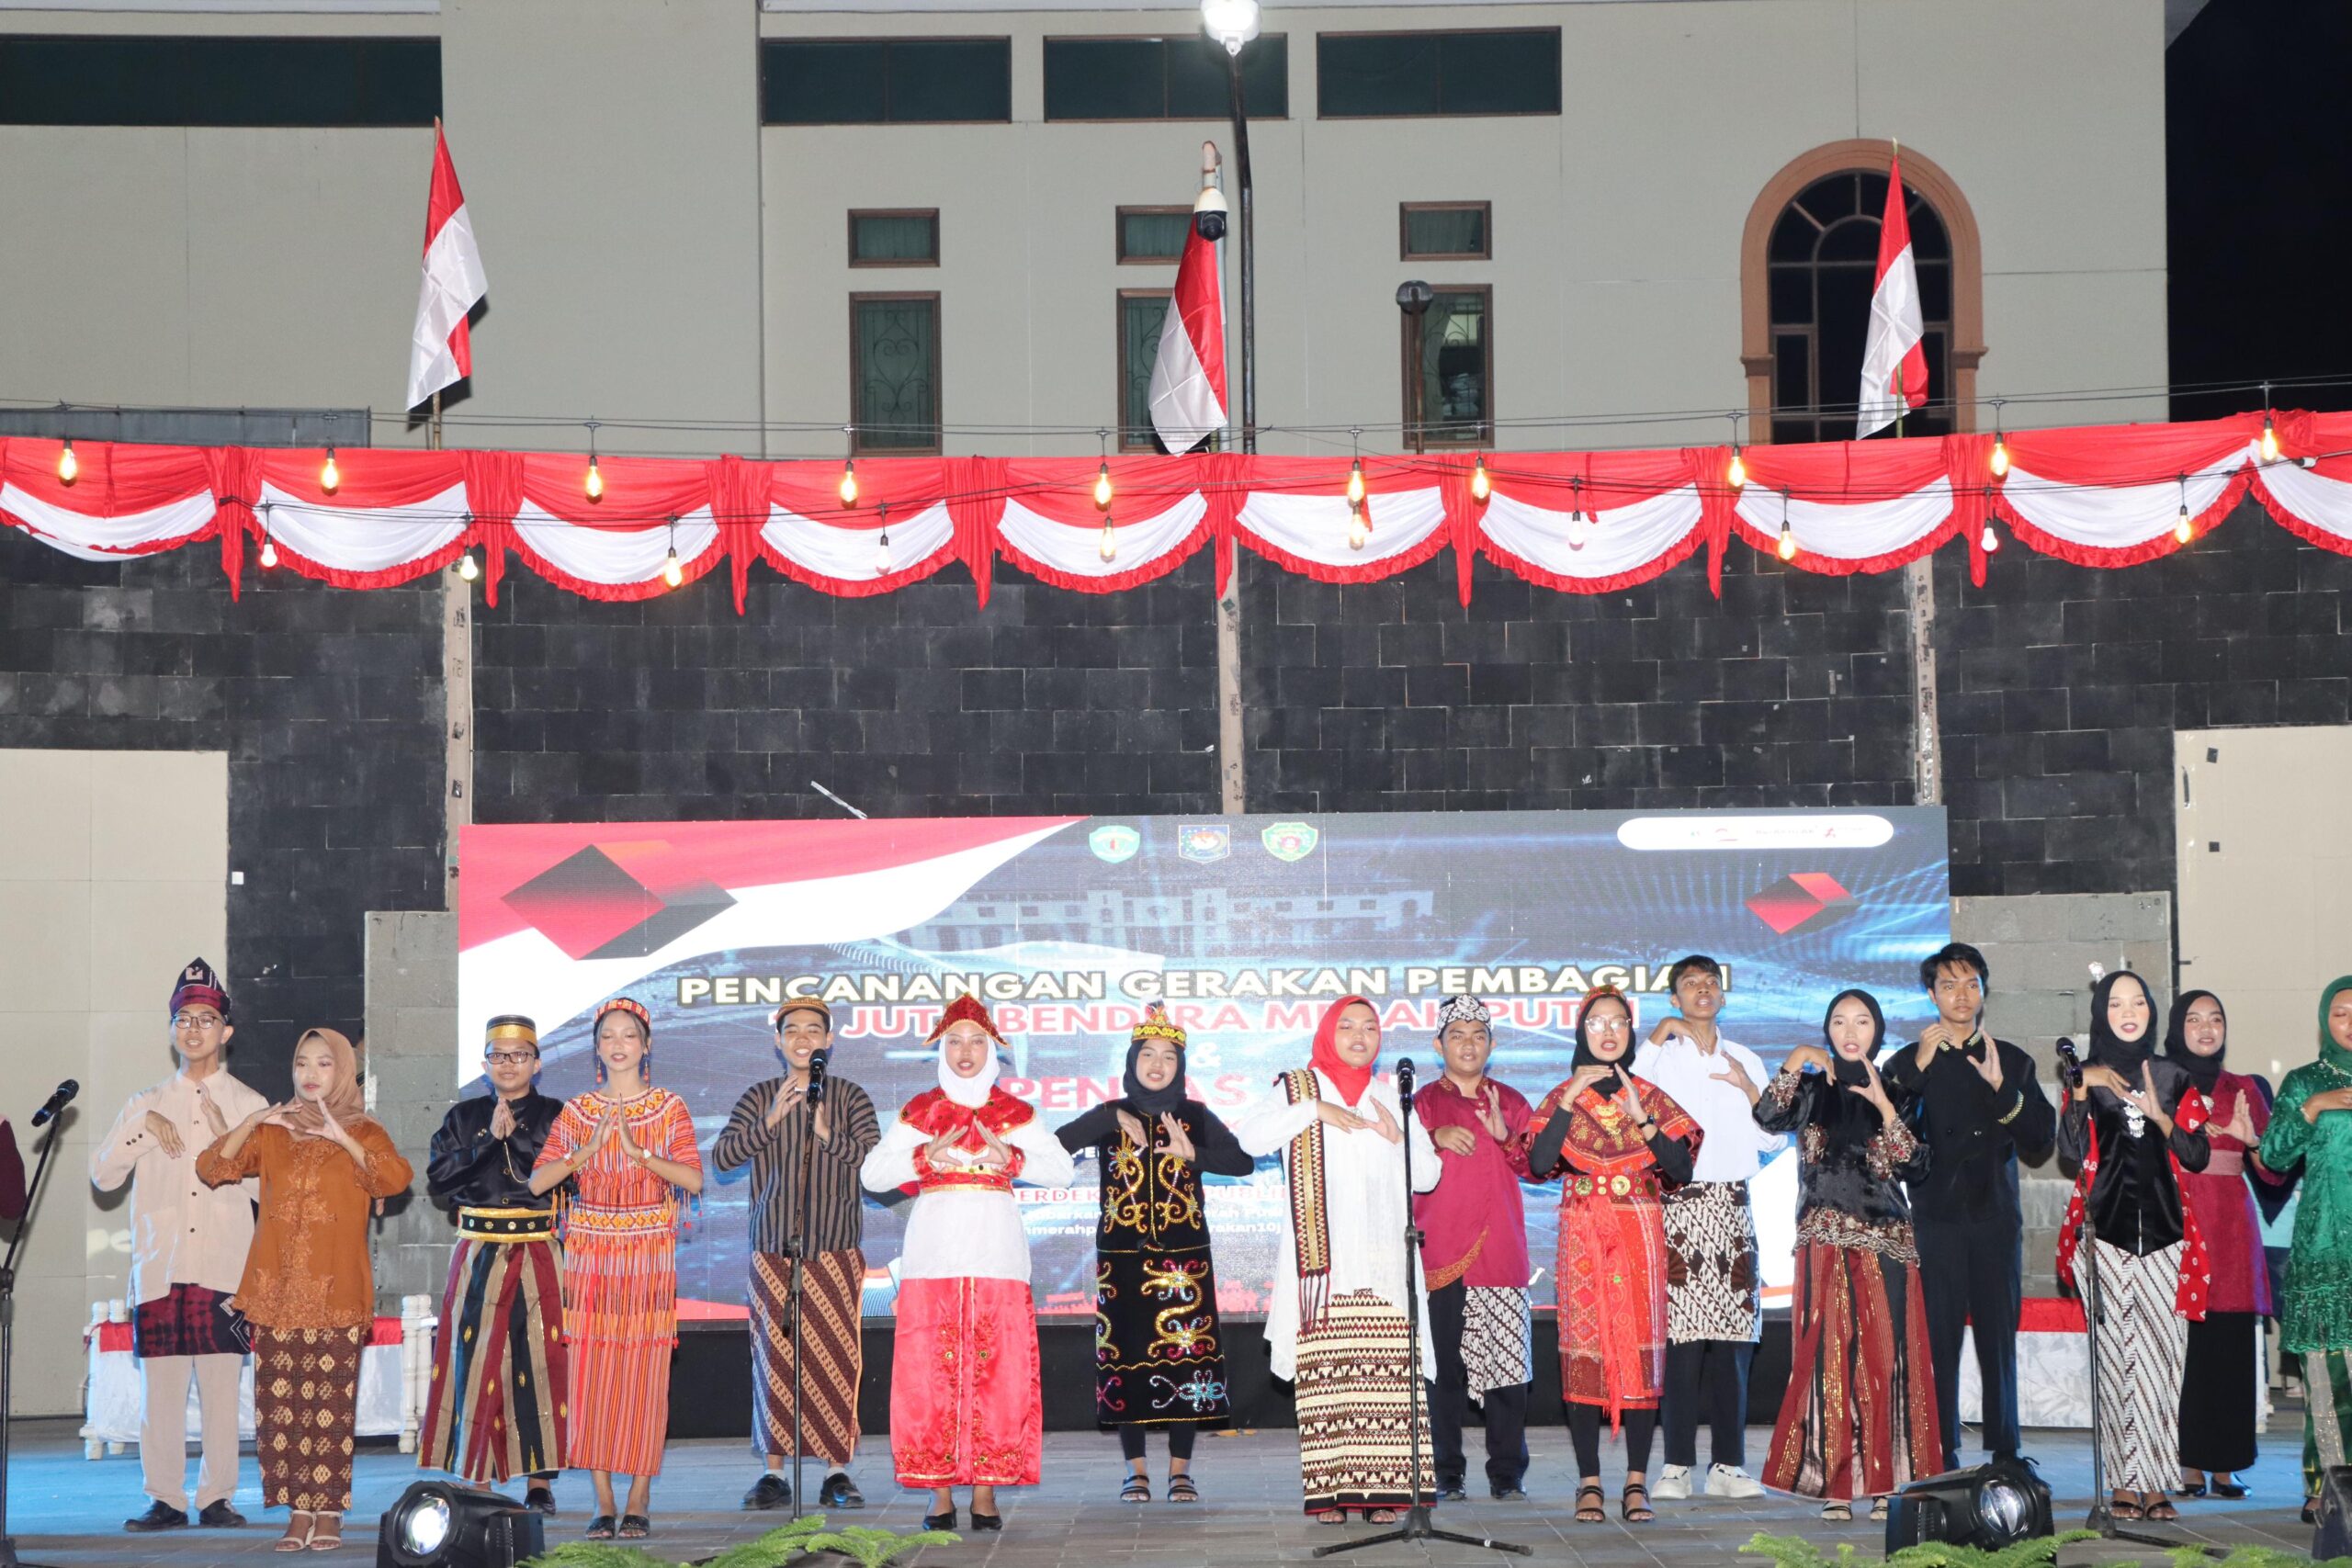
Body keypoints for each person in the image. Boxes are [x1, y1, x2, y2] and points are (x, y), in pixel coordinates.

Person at [860, 995, 1076, 1532]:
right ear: (940, 1047)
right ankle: (937, 1495)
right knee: (928, 1375)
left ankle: (985, 1493)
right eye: (954, 1040)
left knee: (998, 1373)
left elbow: (1063, 1170)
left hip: (997, 1253)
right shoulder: (923, 1110)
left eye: (976, 1041)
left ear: (993, 1049)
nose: (965, 1051)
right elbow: (871, 1175)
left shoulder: (1014, 1113)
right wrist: (921, 1158)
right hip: (933, 1254)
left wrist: (1013, 1158)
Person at [196, 1027, 413, 1553]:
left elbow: (395, 1180)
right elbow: (212, 1166)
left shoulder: (366, 1130)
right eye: (301, 1064)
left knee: (331, 1409)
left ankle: (329, 1511)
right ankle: (296, 1513)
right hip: (274, 1289)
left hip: (336, 1289)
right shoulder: (274, 1132)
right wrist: (253, 1120)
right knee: (280, 1410)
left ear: (343, 1071)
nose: (310, 1074)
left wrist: (345, 1142)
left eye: (323, 1064)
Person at [1233, 995, 1440, 1524]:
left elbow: (1428, 1176)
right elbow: (1251, 1138)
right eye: (1346, 1025)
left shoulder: (1392, 1095)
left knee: (1387, 1385)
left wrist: (1397, 1138)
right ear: (1327, 1033)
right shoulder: (1297, 1088)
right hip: (1323, 1268)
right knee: (1330, 1384)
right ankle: (1332, 1496)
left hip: (1384, 1266)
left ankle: (1385, 1496)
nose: (1358, 1035)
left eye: (1370, 1027)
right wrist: (1313, 1111)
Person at [90, 958, 270, 1534]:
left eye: (206, 1020)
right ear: (172, 1030)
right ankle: (165, 1498)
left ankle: (217, 1496)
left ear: (227, 1032)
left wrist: (227, 1140)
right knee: (160, 1396)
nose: (194, 1030)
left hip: (224, 1267)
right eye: (184, 1019)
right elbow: (103, 1177)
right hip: (161, 1267)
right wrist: (144, 1123)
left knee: (222, 1391)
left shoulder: (250, 1104)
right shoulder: (144, 1101)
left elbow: (270, 1190)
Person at [1055, 1002, 1252, 1504]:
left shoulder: (1194, 1115)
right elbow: (1055, 1145)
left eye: (1168, 1055)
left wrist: (1195, 1154)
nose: (1158, 1064)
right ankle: (1136, 1471)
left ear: (1181, 1066)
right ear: (1132, 1060)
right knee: (1127, 1362)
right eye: (1148, 1054)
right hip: (1120, 1259)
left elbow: (1244, 1161)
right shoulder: (1110, 1115)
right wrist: (1109, 1112)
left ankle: (1180, 1471)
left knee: (1186, 1364)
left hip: (1184, 1259)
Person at [1754, 990, 1939, 1522]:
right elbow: (1768, 1114)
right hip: (1823, 1239)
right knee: (1826, 1362)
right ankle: (1835, 1484)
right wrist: (1795, 1056)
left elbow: (1918, 1167)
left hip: (1887, 1242)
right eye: (1838, 1021)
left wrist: (1884, 1107)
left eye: (1861, 1021)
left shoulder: (1901, 1093)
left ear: (1877, 1031)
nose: (1849, 1030)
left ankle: (1885, 1483)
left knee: (1886, 1362)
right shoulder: (1812, 1090)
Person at [528, 998, 704, 1541]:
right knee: (591, 1381)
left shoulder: (669, 1107)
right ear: (597, 1048)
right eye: (609, 1035)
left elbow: (693, 1181)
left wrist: (637, 1151)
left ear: (646, 1046)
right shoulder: (578, 1111)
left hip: (647, 1261)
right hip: (590, 1260)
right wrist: (586, 1152)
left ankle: (639, 1495)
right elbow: (538, 1183)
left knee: (644, 1381)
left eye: (629, 1034)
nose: (619, 1043)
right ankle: (603, 1500)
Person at [1526, 986, 1701, 1526]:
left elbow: (1682, 1168)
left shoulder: (1650, 1094)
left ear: (1629, 1031)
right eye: (1597, 1022)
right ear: (1582, 1031)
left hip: (1639, 1234)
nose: (1608, 1031)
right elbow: (1537, 1162)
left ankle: (1635, 1482)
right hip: (1582, 1235)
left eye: (1619, 1022)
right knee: (1584, 1354)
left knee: (1641, 1353)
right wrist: (1567, 1100)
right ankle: (1589, 1482)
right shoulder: (1562, 1094)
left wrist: (1640, 1118)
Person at [1881, 942, 2055, 1472]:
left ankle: (2005, 1448)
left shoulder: (2013, 1060)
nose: (1962, 995)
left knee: (1999, 1337)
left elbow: (2041, 1140)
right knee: (1939, 1340)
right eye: (1949, 985)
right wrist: (1917, 1073)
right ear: (1931, 994)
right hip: (1936, 1218)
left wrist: (2003, 1089)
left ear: (1983, 991)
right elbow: (1886, 1139)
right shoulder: (1907, 1061)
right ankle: (1940, 1449)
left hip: (1995, 1217)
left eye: (1972, 984)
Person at [711, 996, 882, 1512]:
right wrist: (769, 1121)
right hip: (772, 1250)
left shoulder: (850, 1097)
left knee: (834, 1359)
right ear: (778, 1041)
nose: (803, 1038)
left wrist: (828, 1135)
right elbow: (722, 1158)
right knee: (773, 1361)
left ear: (830, 1041)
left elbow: (875, 1167)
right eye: (792, 1030)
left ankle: (836, 1472)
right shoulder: (760, 1094)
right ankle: (773, 1472)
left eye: (814, 1029)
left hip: (833, 1247)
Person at [2055, 969, 2211, 1523]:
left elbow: (2196, 1155)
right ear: (2102, 1013)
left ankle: (2158, 1482)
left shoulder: (2174, 1075)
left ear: (2150, 1010)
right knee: (2118, 1361)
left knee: (2164, 1363)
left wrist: (2162, 1117)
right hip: (2108, 1237)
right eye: (2116, 1003)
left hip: (2168, 1238)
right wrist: (2079, 1085)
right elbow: (2070, 1150)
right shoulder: (2087, 1077)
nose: (2128, 1011)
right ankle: (2125, 1481)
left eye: (2138, 1002)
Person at [1630, 955, 1781, 1501]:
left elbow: (1772, 1140)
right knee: (1682, 1342)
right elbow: (1629, 1105)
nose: (1702, 991)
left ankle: (1730, 1466)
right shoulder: (1660, 1060)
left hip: (1732, 1208)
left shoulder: (1746, 1057)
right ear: (1674, 999)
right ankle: (1675, 1466)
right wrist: (1653, 1037)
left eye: (1710, 983)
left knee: (1734, 1344)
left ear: (1723, 995)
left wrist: (1748, 1089)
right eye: (1690, 984)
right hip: (1677, 1208)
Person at [417, 1014, 568, 1508]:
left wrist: (514, 1140)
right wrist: (486, 1143)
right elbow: (438, 1180)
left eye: (519, 1055)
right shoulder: (463, 1117)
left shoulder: (555, 1114)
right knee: (473, 1361)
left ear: (537, 1063)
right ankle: (474, 1475)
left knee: (539, 1362)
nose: (508, 1064)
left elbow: (568, 1178)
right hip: (478, 1248)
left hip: (538, 1246)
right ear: (485, 1064)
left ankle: (539, 1482)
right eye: (499, 1056)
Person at [1411, 996, 1535, 1503]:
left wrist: (1506, 1137)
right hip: (1442, 1252)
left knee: (1508, 1370)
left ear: (1492, 1045)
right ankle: (1447, 1472)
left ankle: (1507, 1475)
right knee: (1443, 1371)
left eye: (1478, 1035)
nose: (1469, 1044)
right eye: (1457, 1035)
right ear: (1439, 1045)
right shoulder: (1421, 1102)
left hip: (1502, 1250)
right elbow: (1400, 1161)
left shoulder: (1511, 1100)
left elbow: (1537, 1167)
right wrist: (1433, 1134)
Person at [2163, 989, 2276, 1499]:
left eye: (2215, 1019)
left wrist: (2253, 1143)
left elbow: (2273, 1173)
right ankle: (2187, 1462)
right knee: (2186, 1352)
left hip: (2230, 1226)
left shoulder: (2246, 1088)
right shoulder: (2162, 1083)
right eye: (2194, 1019)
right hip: (2179, 1219)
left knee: (2230, 1347)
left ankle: (2228, 1464)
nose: (2206, 1028)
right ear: (2176, 1027)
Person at [2256, 975, 2352, 1526]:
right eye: (2340, 1012)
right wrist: (2311, 1108)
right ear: (2324, 1018)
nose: (2349, 1023)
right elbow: (2272, 1154)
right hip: (2322, 1247)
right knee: (2327, 1378)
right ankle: (2328, 1483)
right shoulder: (2304, 1082)